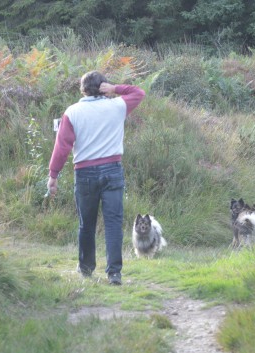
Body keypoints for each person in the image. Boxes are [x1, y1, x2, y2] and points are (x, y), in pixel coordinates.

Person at [47, 71, 145, 285]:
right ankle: (114, 273)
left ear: (82, 89)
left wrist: (53, 175)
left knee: (86, 224)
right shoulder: (117, 106)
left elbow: (62, 147)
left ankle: (85, 269)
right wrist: (116, 88)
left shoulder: (72, 112)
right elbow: (139, 92)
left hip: (84, 173)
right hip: (112, 170)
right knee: (113, 224)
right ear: (103, 86)